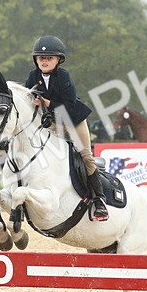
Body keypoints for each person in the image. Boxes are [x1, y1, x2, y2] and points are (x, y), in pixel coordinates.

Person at [25, 35, 108, 221]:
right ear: (36, 60)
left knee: (86, 156)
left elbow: (69, 106)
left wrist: (46, 102)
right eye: (41, 58)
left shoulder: (63, 76)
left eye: (49, 58)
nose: (44, 61)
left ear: (58, 60)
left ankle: (99, 200)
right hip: (52, 122)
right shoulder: (32, 77)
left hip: (73, 119)